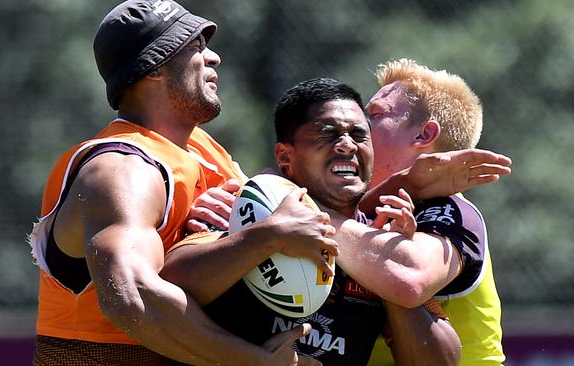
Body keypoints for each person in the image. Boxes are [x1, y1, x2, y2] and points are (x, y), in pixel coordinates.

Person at [27, 1, 336, 365]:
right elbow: (131, 298)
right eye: (196, 47)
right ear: (155, 67)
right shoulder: (122, 169)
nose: (214, 58)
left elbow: (254, 241)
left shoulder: (203, 149)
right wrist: (253, 362)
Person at [163, 77, 480, 365]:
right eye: (327, 134)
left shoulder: (379, 237)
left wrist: (388, 283)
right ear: (285, 156)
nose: (346, 145)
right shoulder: (247, 210)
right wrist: (268, 236)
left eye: (359, 134)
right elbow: (165, 287)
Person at [363, 58, 506, 365]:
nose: (357, 128)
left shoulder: (452, 211)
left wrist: (315, 216)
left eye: (374, 115)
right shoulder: (362, 209)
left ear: (423, 136)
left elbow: (409, 277)